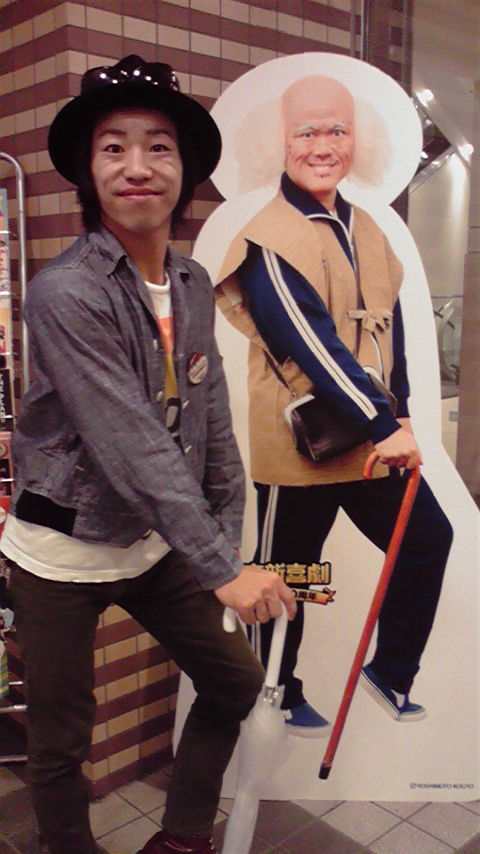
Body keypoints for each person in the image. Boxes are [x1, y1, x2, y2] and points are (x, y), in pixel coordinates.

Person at [0, 55, 296, 854]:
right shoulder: (66, 291)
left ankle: (183, 838)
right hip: (61, 550)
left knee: (234, 682)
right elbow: (129, 439)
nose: (137, 166)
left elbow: (212, 426)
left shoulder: (194, 281)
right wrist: (221, 567)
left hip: (155, 542)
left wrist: (223, 551)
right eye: (113, 148)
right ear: (87, 172)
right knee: (61, 739)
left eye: (158, 146)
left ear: (186, 169)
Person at [215, 74, 453, 737]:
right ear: (280, 142)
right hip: (303, 443)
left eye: (337, 130)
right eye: (307, 131)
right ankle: (272, 690)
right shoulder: (268, 238)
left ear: (357, 140)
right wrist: (382, 422)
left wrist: (400, 411)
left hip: (371, 438)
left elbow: (388, 330)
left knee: (428, 537)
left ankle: (391, 669)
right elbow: (313, 347)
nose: (323, 146)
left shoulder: (368, 226)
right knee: (289, 576)